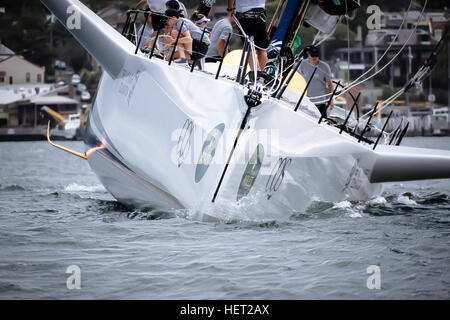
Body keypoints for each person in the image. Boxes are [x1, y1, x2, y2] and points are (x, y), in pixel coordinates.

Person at [227, 0, 269, 71]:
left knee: (249, 48)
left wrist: (230, 9)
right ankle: (260, 75)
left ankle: (254, 73)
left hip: (245, 16)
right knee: (262, 49)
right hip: (260, 15)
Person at [299, 45, 334, 117]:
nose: (314, 58)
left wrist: (331, 100)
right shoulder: (303, 64)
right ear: (308, 55)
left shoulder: (325, 66)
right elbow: (299, 79)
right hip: (307, 101)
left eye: (316, 55)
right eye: (312, 55)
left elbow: (330, 84)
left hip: (321, 102)